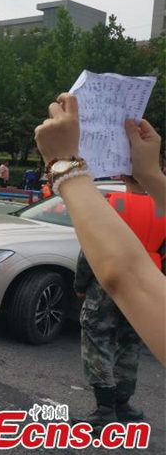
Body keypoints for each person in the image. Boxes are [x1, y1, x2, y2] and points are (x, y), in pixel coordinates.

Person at [34, 93, 166, 366]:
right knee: (128, 350)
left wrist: (63, 165)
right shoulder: (156, 210)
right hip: (151, 280)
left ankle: (104, 394)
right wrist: (150, 173)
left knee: (99, 349)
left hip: (124, 286)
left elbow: (119, 271)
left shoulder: (114, 203)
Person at [72, 174, 164, 429]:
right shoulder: (162, 209)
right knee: (129, 343)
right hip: (144, 286)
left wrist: (80, 285)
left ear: (123, 175)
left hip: (107, 284)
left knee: (96, 340)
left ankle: (104, 410)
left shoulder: (111, 206)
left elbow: (89, 250)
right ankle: (123, 405)